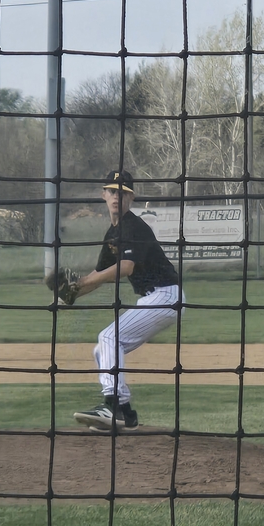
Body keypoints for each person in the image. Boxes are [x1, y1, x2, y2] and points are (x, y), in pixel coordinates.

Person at [72, 170, 183, 431]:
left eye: (122, 192)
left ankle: (111, 405)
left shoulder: (134, 227)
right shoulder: (112, 233)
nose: (116, 196)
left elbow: (126, 267)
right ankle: (126, 413)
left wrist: (85, 283)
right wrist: (73, 291)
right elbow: (98, 275)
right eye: (112, 191)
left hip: (166, 294)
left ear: (130, 198)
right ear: (104, 195)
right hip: (154, 298)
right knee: (103, 349)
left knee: (109, 337)